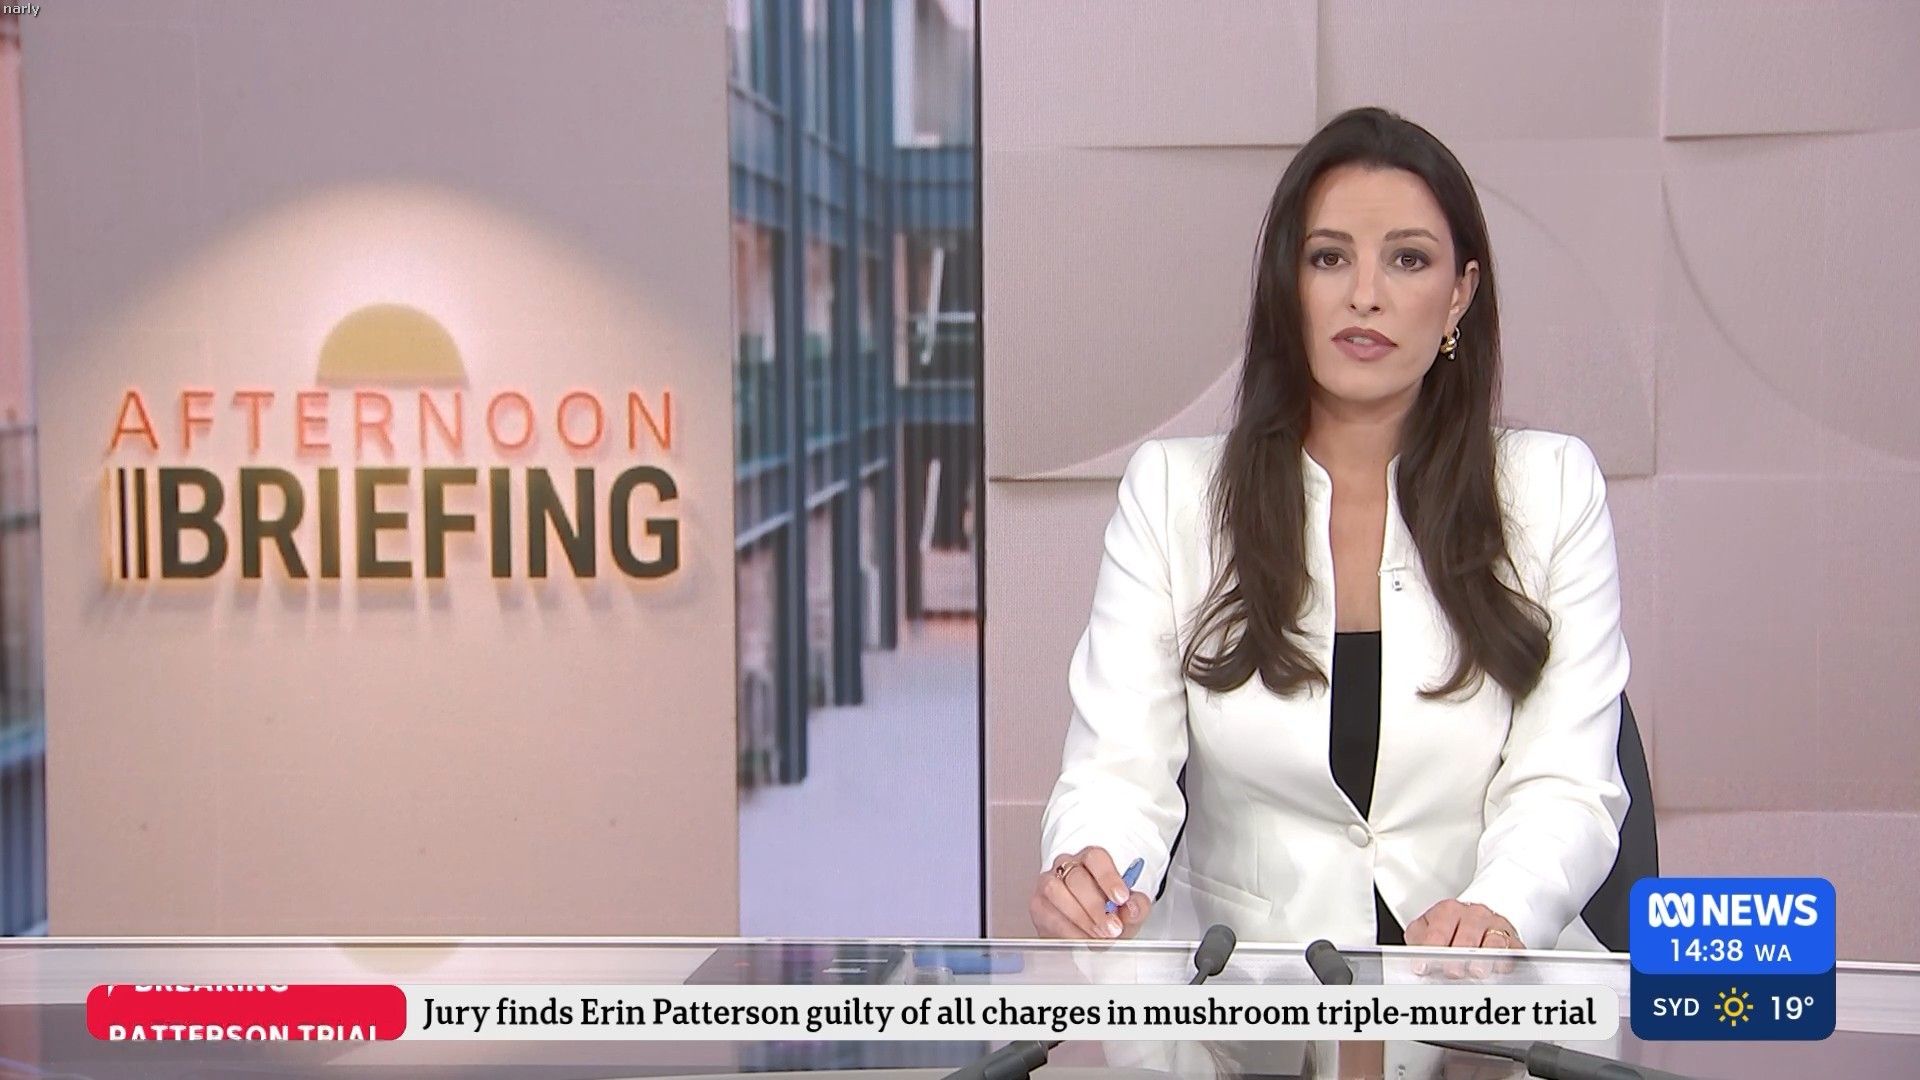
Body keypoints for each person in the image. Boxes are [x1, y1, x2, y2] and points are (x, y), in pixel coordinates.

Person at [1030, 107, 1630, 955]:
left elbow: (1567, 782)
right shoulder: (1171, 495)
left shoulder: (1552, 488)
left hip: (1485, 995)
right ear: (1287, 285)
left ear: (1459, 294)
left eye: (1408, 259)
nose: (1365, 294)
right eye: (1329, 257)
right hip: (1248, 996)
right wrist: (1090, 867)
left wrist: (1498, 910)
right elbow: (1116, 774)